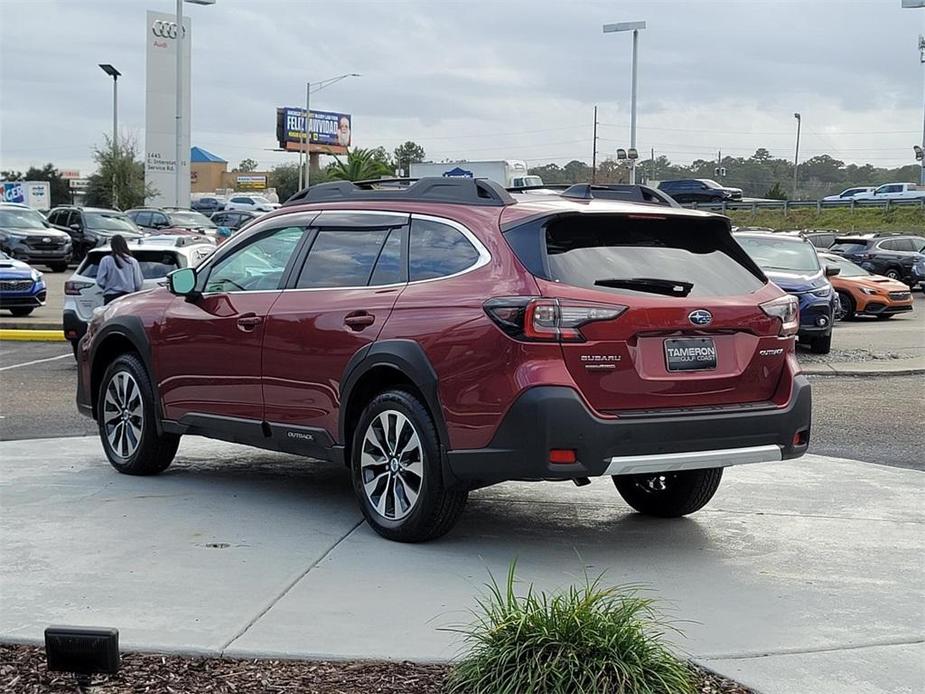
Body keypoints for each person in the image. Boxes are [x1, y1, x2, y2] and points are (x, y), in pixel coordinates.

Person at [96, 234, 143, 305]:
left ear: (112, 246)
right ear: (125, 245)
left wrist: (109, 286)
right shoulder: (132, 261)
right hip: (128, 298)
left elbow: (100, 281)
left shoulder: (106, 260)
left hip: (111, 297)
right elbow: (138, 284)